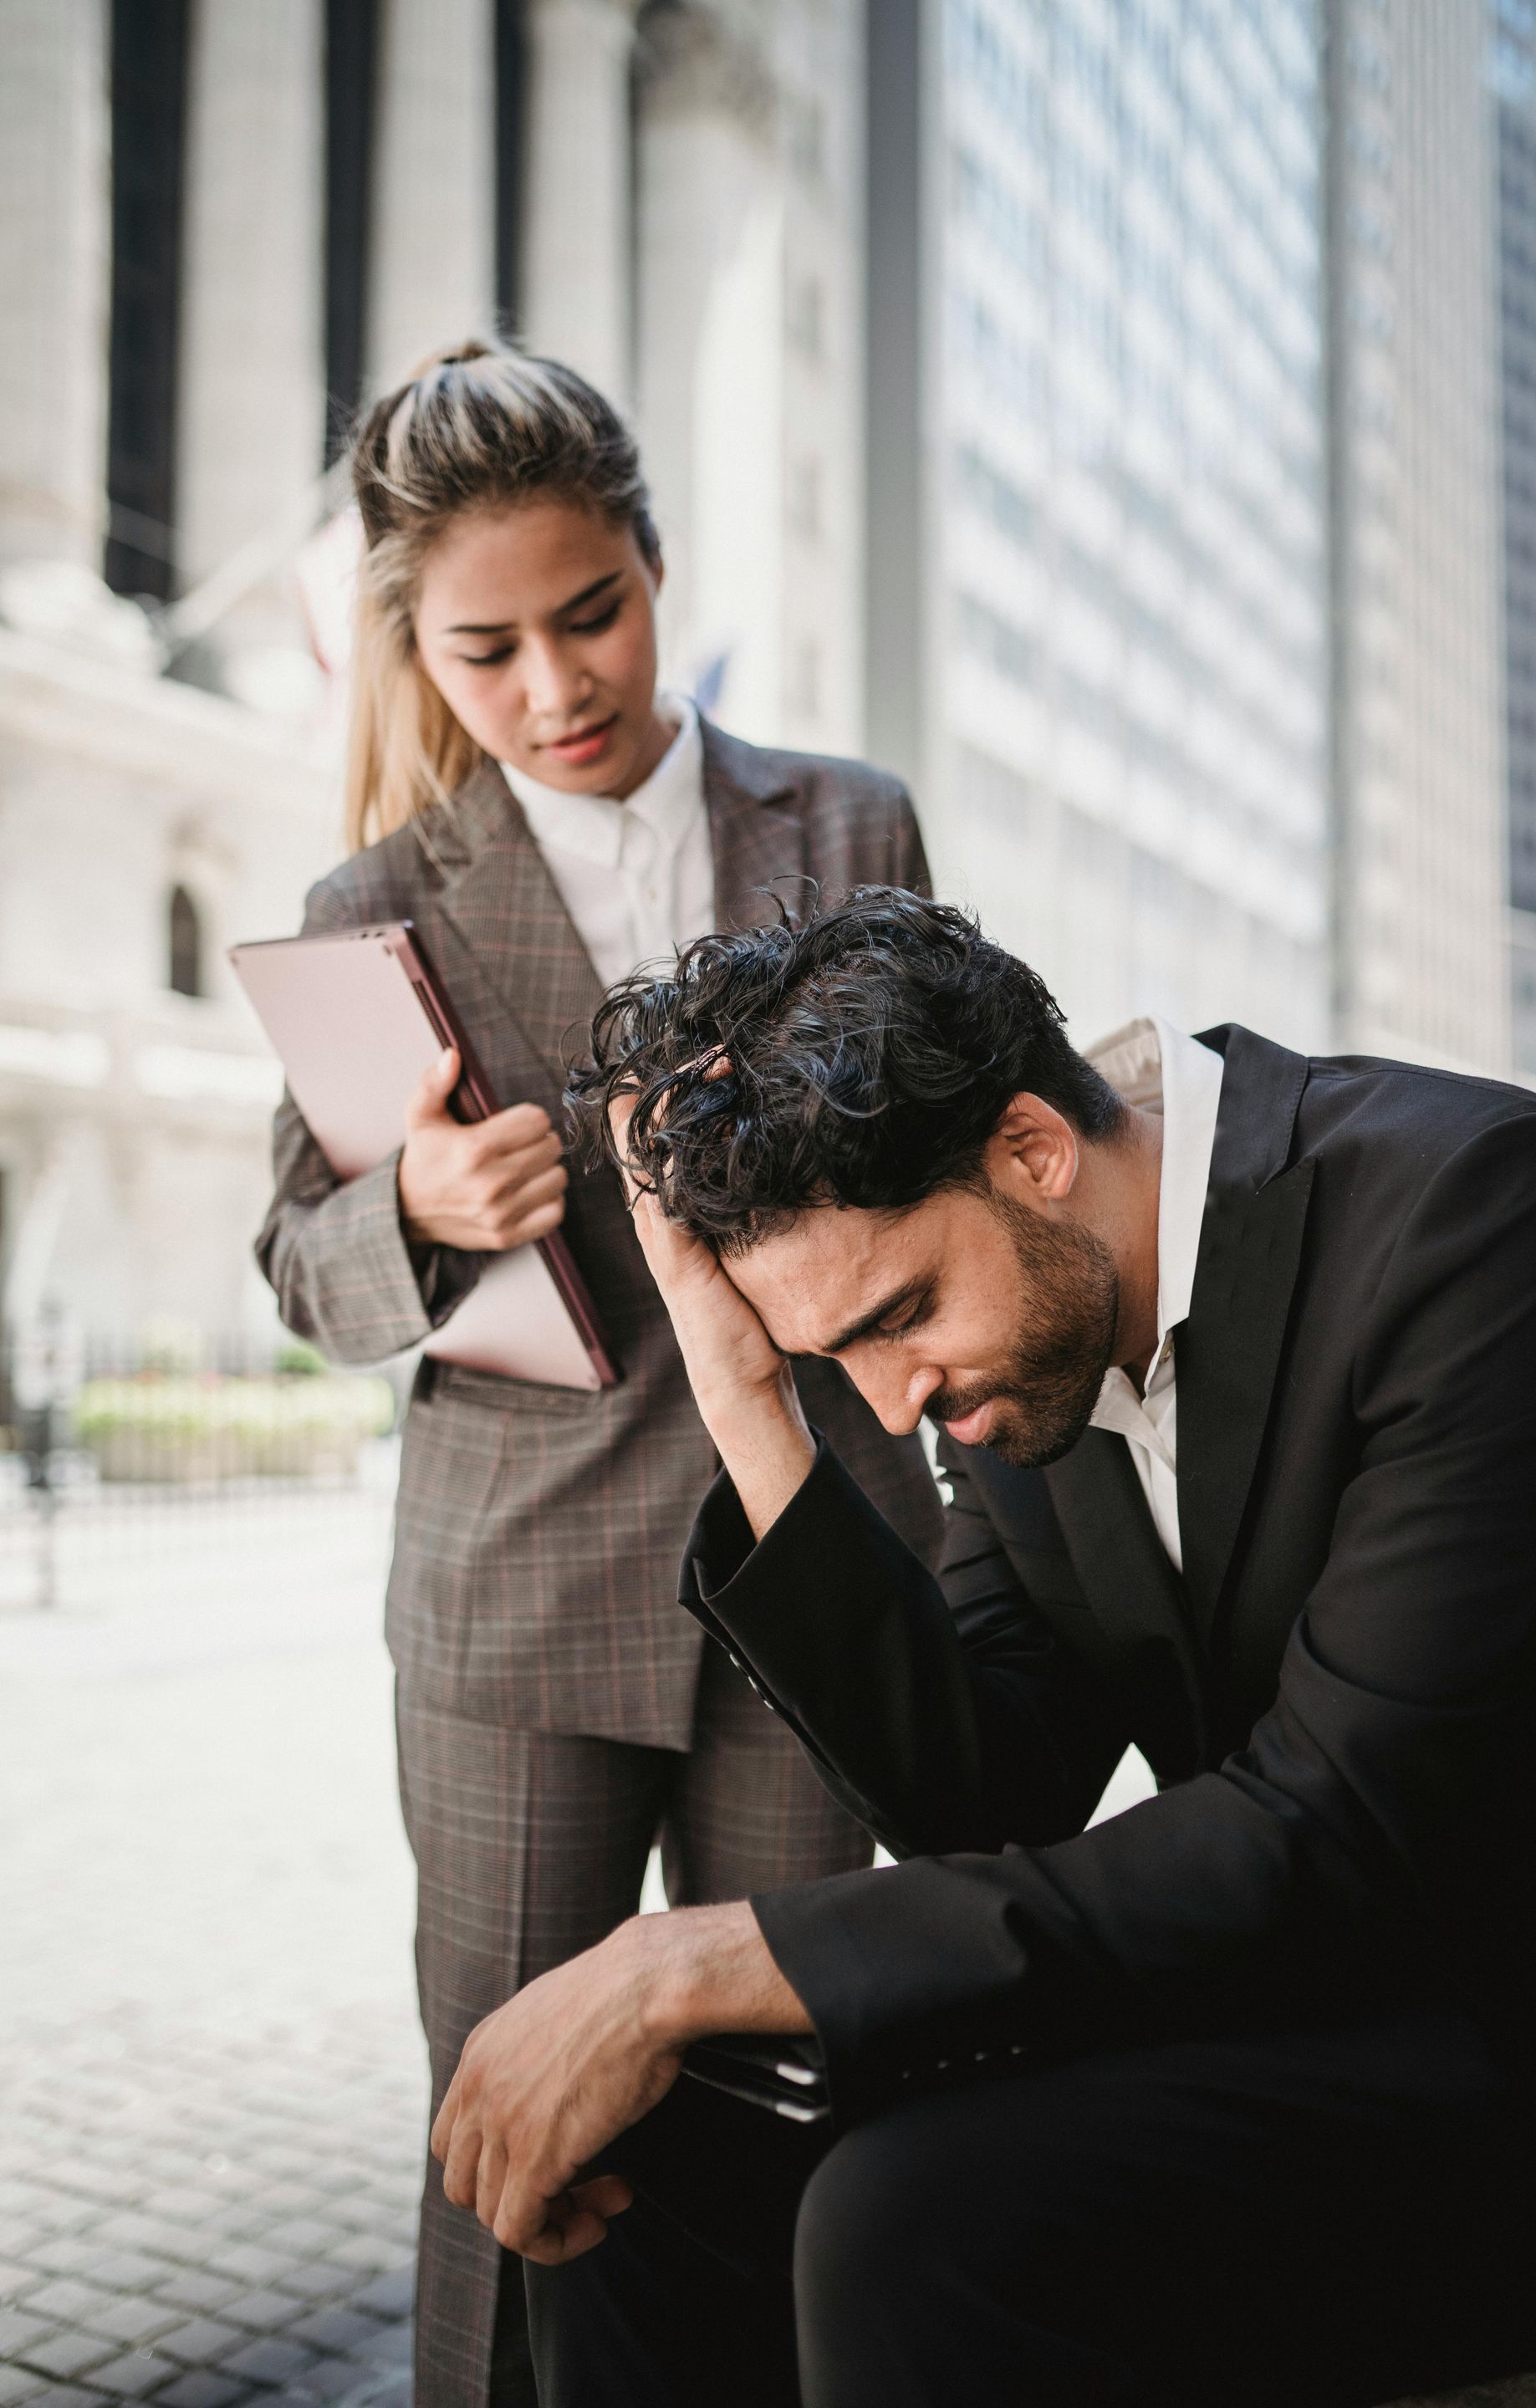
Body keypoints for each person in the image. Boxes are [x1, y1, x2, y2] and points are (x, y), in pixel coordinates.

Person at [430, 889, 1536, 2408]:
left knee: (906, 2217)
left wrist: (704, 1957)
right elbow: (985, 1800)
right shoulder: (1014, 1341)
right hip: (1266, 1993)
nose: (896, 1406)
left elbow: (1336, 1836)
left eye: (896, 1319)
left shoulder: (1481, 1216)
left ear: (1034, 1150)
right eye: (831, 1357)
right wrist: (748, 1407)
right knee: (650, 2152)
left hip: (1523, 2052)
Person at [254, 352, 940, 2408]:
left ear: (655, 565)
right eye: (487, 648)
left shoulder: (847, 815)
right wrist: (425, 1208)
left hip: (807, 1574)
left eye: (592, 613)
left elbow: (948, 1116)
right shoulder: (372, 910)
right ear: (415, 650)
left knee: (789, 2124)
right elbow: (300, 1267)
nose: (555, 682)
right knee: (512, 2146)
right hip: (517, 1600)